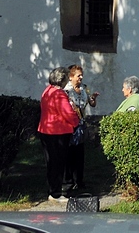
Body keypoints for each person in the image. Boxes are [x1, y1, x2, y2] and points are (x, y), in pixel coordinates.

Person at [37, 67, 79, 202]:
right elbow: (67, 113)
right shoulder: (59, 94)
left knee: (51, 162)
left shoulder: (47, 91)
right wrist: (76, 121)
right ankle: (56, 193)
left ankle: (52, 190)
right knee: (59, 162)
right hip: (58, 132)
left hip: (45, 130)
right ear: (63, 79)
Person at [63, 64, 99, 190]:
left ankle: (79, 180)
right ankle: (68, 181)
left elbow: (91, 103)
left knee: (80, 154)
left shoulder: (84, 88)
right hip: (70, 125)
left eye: (81, 75)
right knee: (69, 154)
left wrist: (93, 99)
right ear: (71, 77)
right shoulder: (66, 91)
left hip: (81, 124)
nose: (81, 77)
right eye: (78, 75)